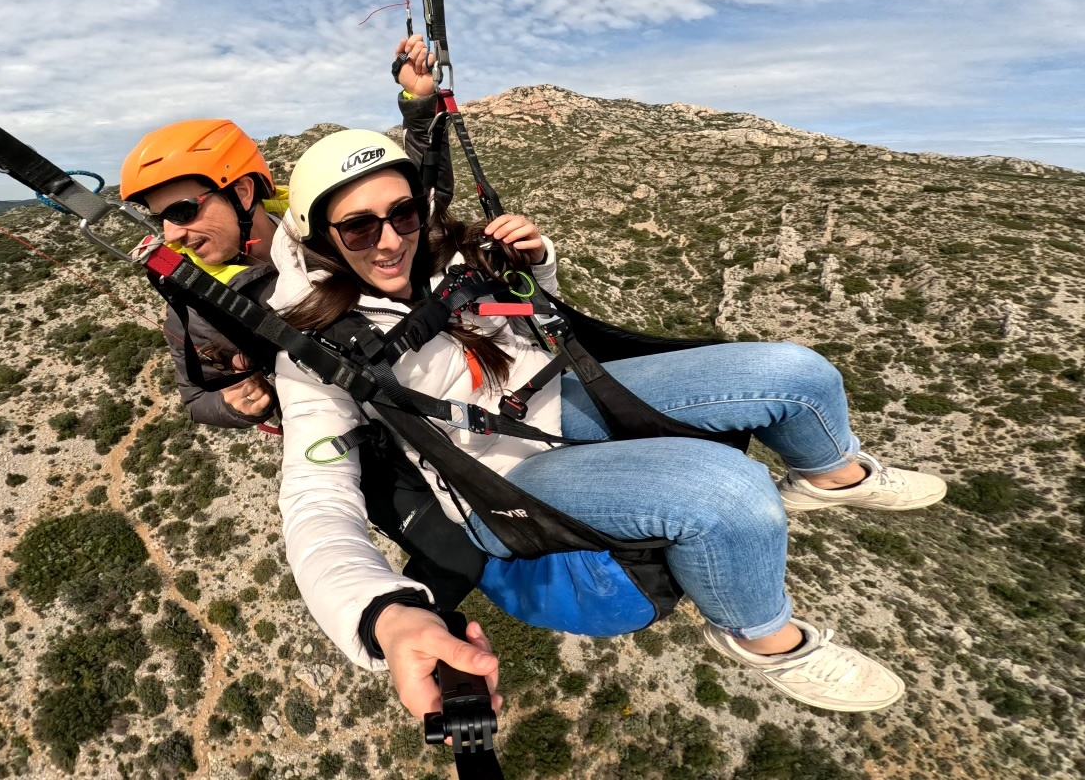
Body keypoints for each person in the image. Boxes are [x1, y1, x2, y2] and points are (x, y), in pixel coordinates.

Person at [268, 129, 949, 718]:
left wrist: (537, 266)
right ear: (318, 238)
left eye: (404, 214)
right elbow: (316, 502)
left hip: (560, 397)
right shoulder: (316, 350)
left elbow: (530, 325)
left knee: (796, 373)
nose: (389, 241)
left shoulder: (446, 256)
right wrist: (378, 612)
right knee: (732, 494)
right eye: (359, 227)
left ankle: (833, 474)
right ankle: (763, 636)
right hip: (505, 480)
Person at [118, 37, 482, 607]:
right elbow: (195, 399)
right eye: (161, 220)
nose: (172, 235)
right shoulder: (193, 302)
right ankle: (411, 632)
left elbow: (413, 205)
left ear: (241, 192)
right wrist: (235, 404)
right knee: (464, 554)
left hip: (421, 389)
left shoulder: (321, 229)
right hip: (354, 439)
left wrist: (419, 104)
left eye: (185, 212)